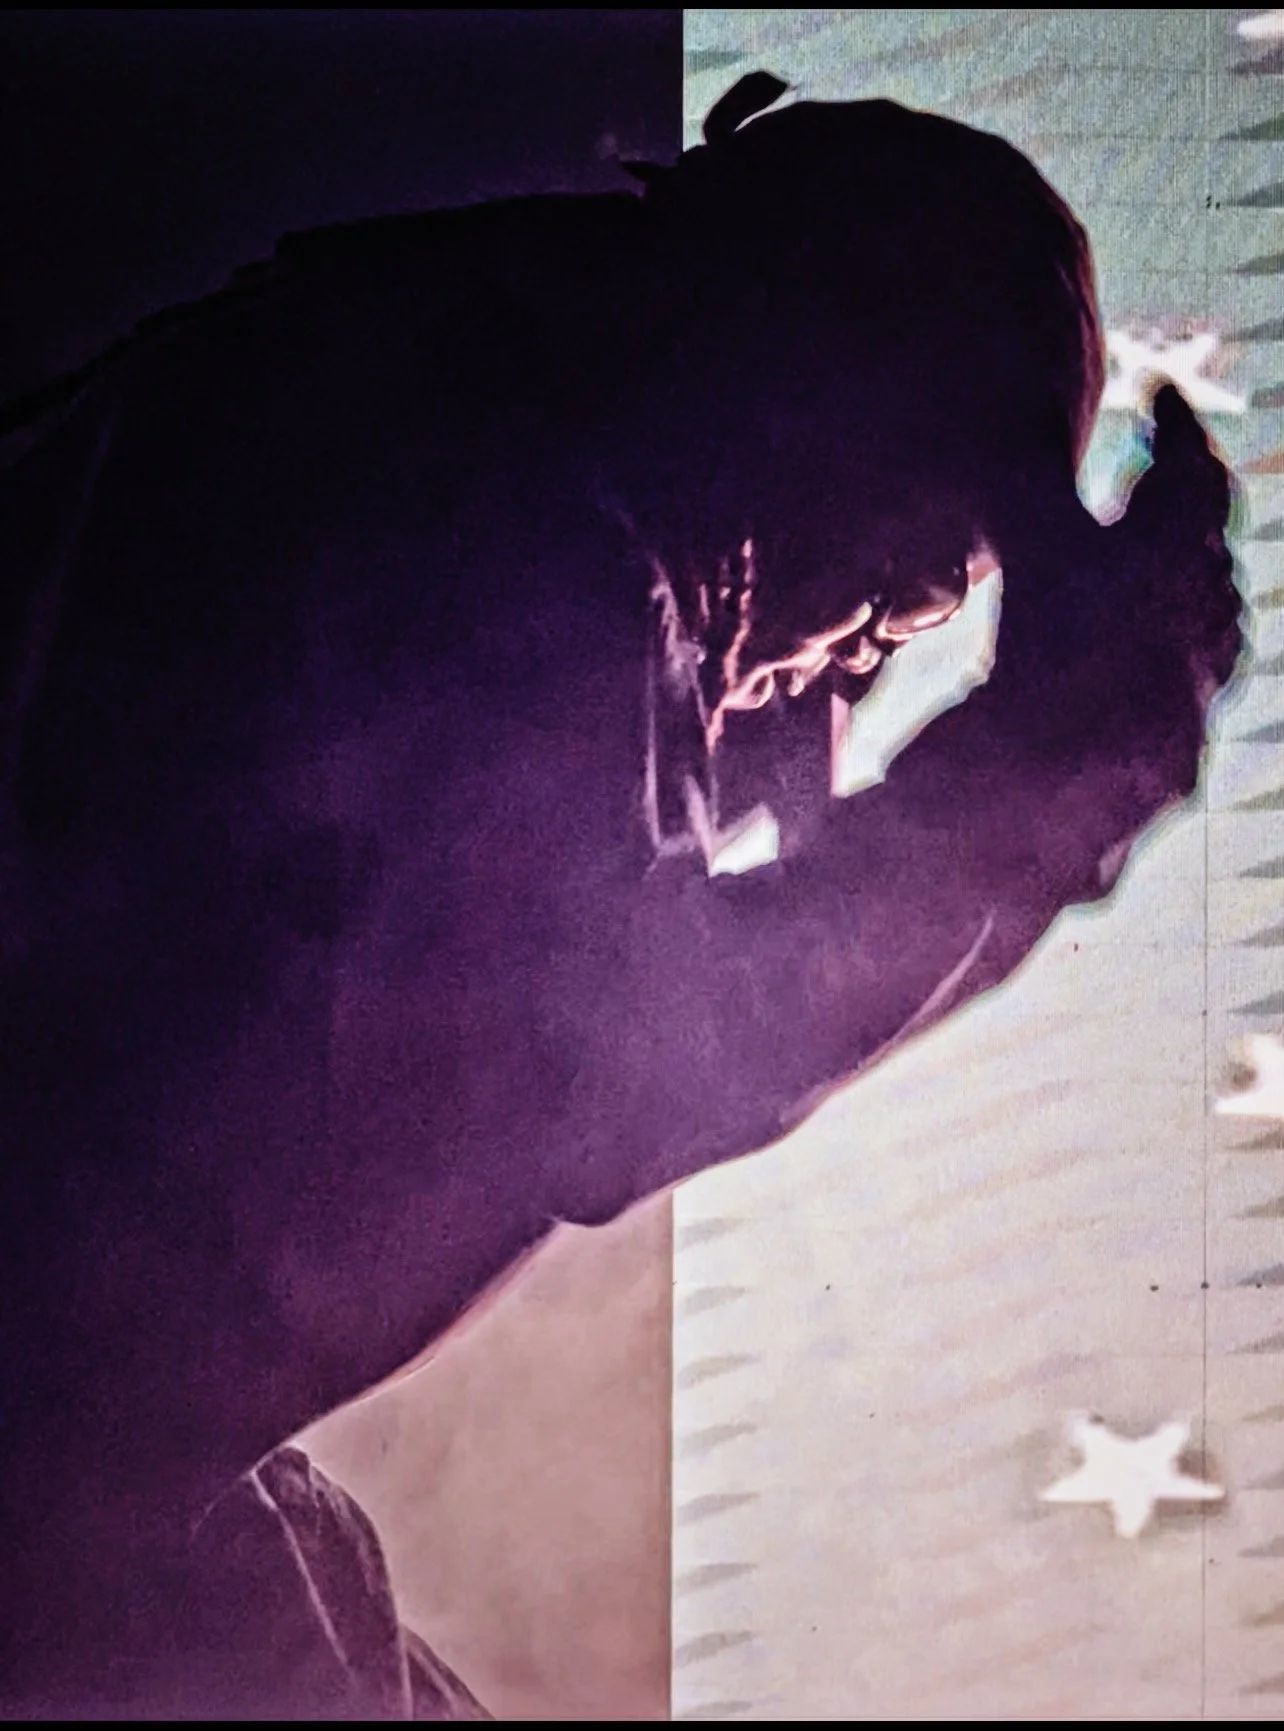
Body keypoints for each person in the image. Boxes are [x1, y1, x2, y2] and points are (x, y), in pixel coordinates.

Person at [0, 75, 1241, 1718]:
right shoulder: (521, 514)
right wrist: (1034, 784)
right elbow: (585, 1067)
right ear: (821, 419)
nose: (862, 665)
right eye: (902, 602)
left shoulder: (445, 385)